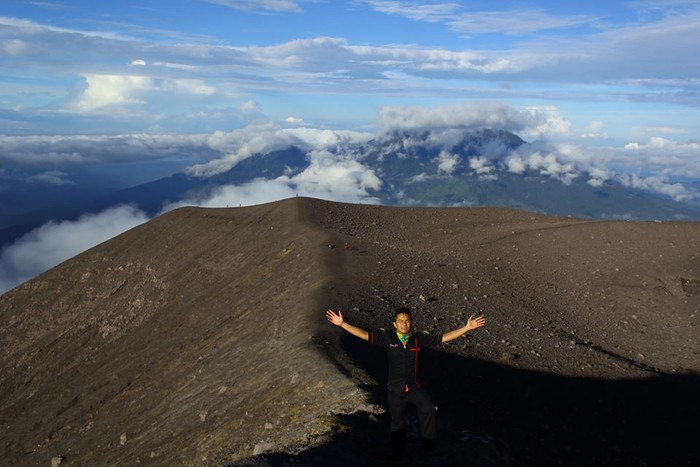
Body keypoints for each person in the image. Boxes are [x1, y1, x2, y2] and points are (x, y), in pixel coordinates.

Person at [325, 306, 486, 457]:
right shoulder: (388, 338)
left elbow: (443, 338)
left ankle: (428, 448)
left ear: (411, 323)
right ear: (395, 324)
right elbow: (364, 335)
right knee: (397, 423)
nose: (404, 324)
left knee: (429, 409)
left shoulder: (418, 339)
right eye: (401, 321)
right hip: (395, 390)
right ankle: (398, 454)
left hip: (414, 387)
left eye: (407, 321)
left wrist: (467, 328)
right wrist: (342, 324)